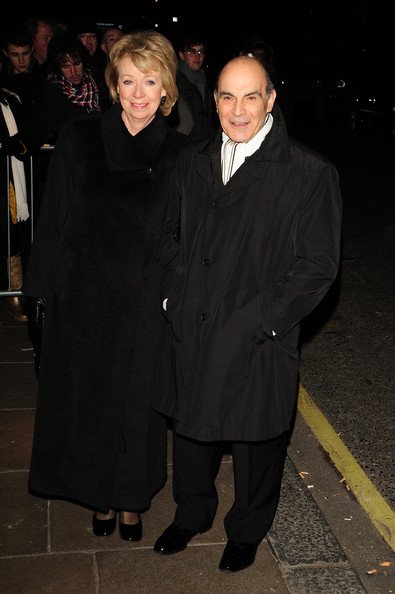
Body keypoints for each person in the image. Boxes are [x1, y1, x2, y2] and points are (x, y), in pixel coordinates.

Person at [153, 55, 342, 572]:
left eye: (251, 96)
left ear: (271, 99)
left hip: (257, 333)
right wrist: (174, 295)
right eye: (227, 97)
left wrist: (266, 321)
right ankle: (191, 515)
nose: (239, 110)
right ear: (213, 101)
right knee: (191, 432)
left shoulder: (308, 172)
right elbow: (168, 235)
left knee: (256, 439)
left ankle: (247, 530)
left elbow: (317, 266)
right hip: (192, 323)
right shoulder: (191, 161)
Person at [22, 30, 189, 541]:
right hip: (85, 299)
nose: (139, 93)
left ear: (166, 89)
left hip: (144, 303)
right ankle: (98, 496)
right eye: (129, 80)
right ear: (114, 84)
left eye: (151, 81)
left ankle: (131, 501)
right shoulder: (79, 137)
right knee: (88, 404)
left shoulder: (184, 153)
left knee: (137, 411)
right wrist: (41, 294)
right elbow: (53, 221)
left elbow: (185, 237)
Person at [169, 33, 217, 140]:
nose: (197, 56)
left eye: (201, 51)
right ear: (181, 55)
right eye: (192, 51)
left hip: (201, 143)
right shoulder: (174, 80)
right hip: (183, 144)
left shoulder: (203, 78)